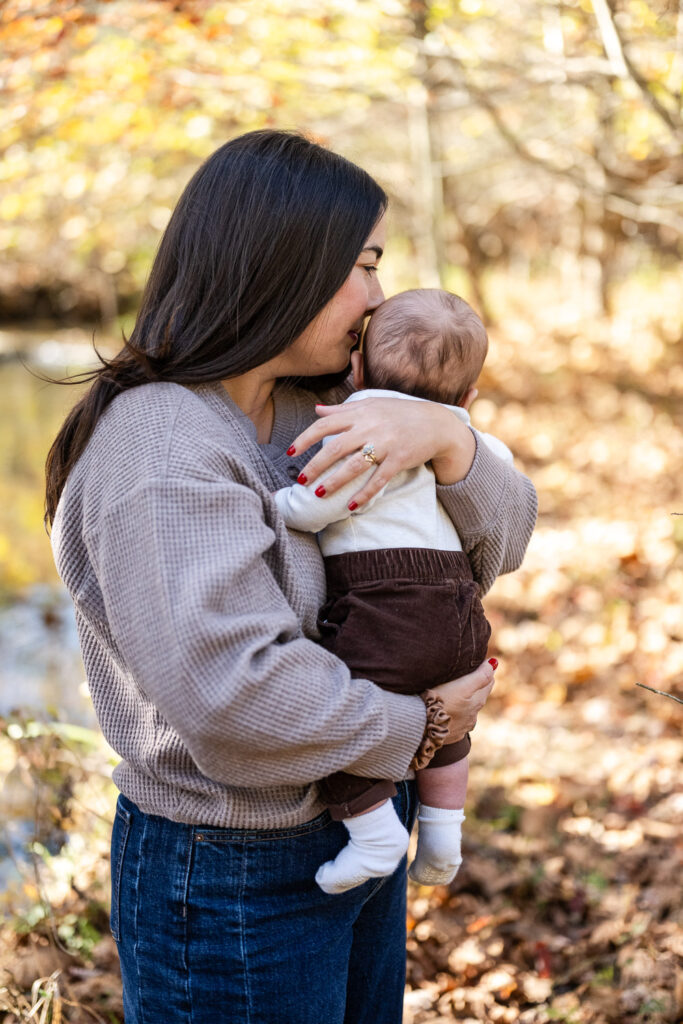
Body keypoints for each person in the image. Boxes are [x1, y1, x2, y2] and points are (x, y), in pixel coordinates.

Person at [45, 130, 537, 1024]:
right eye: (361, 263)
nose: (377, 297)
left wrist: (450, 440)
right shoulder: (164, 446)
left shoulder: (326, 410)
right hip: (234, 873)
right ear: (278, 265)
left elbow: (491, 551)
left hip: (354, 826)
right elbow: (232, 695)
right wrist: (419, 727)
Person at [274, 288, 519, 896]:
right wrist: (457, 437)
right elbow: (507, 515)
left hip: (384, 604)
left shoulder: (357, 427)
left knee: (340, 707)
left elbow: (313, 505)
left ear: (356, 370)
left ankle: (375, 831)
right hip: (460, 609)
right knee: (453, 729)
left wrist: (276, 504)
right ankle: (442, 833)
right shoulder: (474, 442)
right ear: (469, 397)